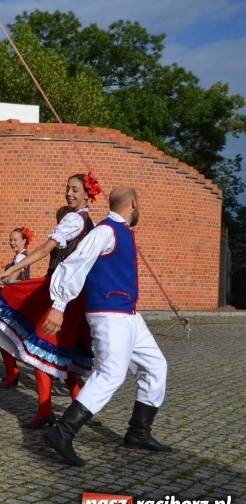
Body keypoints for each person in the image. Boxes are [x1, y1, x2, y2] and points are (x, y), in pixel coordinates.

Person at [43, 186, 171, 466]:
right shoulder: (105, 231)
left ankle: (138, 432)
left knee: (156, 367)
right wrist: (59, 305)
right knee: (111, 374)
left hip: (129, 316)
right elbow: (73, 264)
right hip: (109, 315)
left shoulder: (122, 231)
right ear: (134, 203)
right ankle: (62, 433)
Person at [0, 173, 100, 429]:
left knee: (42, 348)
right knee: (60, 352)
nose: (69, 193)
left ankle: (46, 411)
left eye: (75, 190)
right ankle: (81, 409)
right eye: (67, 189)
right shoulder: (92, 224)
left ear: (87, 194)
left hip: (58, 290)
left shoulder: (74, 219)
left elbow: (44, 249)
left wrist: (12, 269)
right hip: (77, 293)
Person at [0, 226, 34, 387]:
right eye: (10, 240)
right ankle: (12, 372)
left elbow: (12, 279)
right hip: (17, 302)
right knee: (9, 338)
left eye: (15, 240)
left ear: (24, 241)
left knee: (6, 337)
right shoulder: (19, 258)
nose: (12, 243)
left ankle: (13, 372)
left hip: (17, 303)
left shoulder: (20, 259)